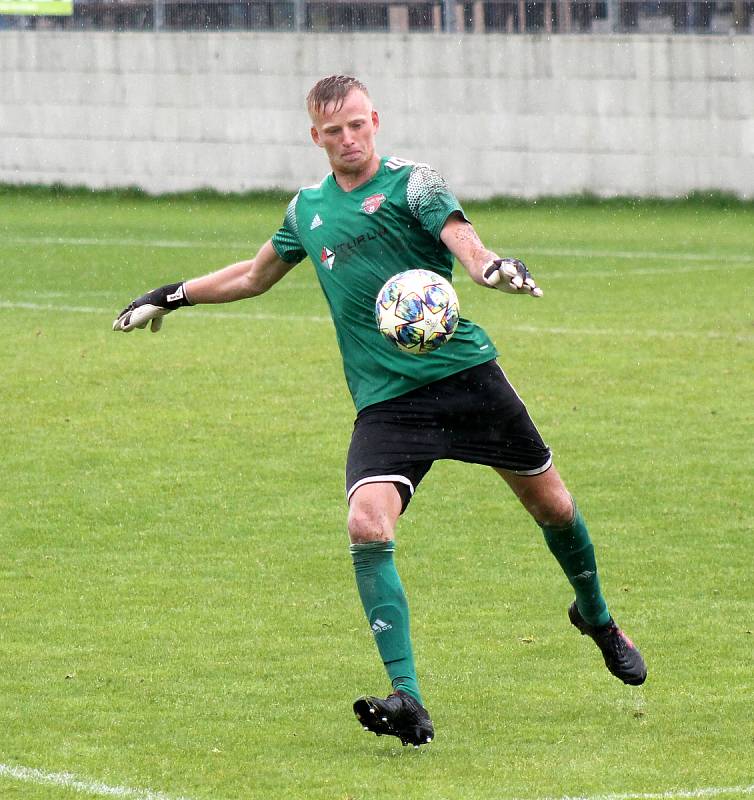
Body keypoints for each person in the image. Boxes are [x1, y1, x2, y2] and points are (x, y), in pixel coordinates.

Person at [113, 74, 647, 749]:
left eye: (357, 125)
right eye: (333, 131)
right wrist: (174, 293)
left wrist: (494, 269)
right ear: (316, 137)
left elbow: (465, 243)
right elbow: (253, 276)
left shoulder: (412, 184)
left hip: (467, 379)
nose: (348, 140)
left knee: (555, 509)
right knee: (367, 524)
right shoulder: (306, 209)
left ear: (375, 121)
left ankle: (596, 616)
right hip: (388, 404)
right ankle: (408, 701)